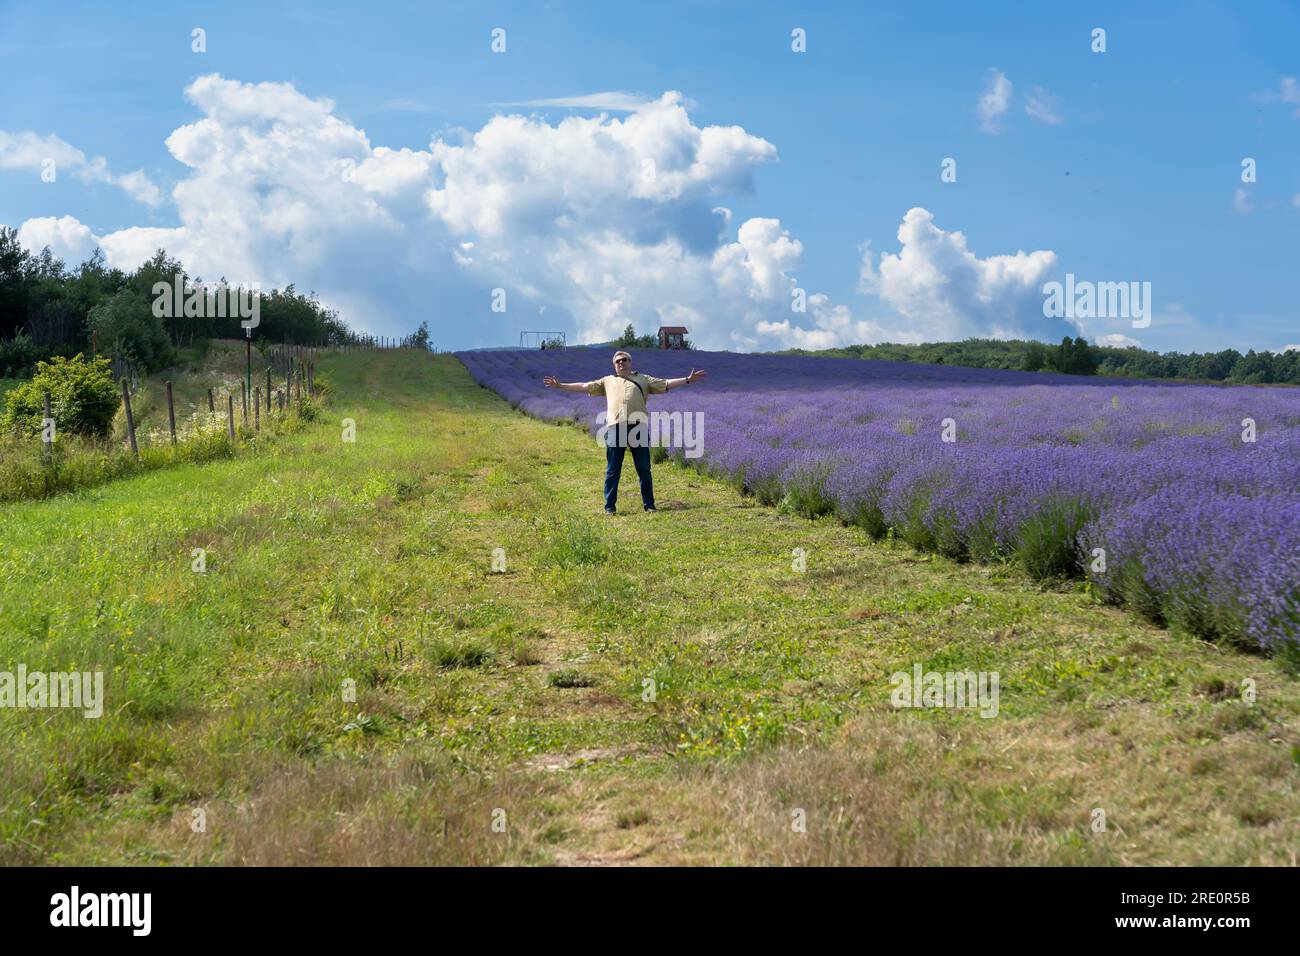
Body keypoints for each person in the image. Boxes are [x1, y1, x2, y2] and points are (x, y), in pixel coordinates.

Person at [544, 350, 707, 513]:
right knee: (613, 469)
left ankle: (649, 505)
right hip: (616, 427)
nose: (621, 363)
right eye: (618, 361)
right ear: (614, 366)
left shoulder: (643, 379)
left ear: (631, 362)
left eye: (624, 360)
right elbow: (585, 386)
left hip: (638, 427)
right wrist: (560, 385)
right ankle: (609, 507)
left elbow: (665, 383)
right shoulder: (607, 381)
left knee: (644, 468)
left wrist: (687, 380)